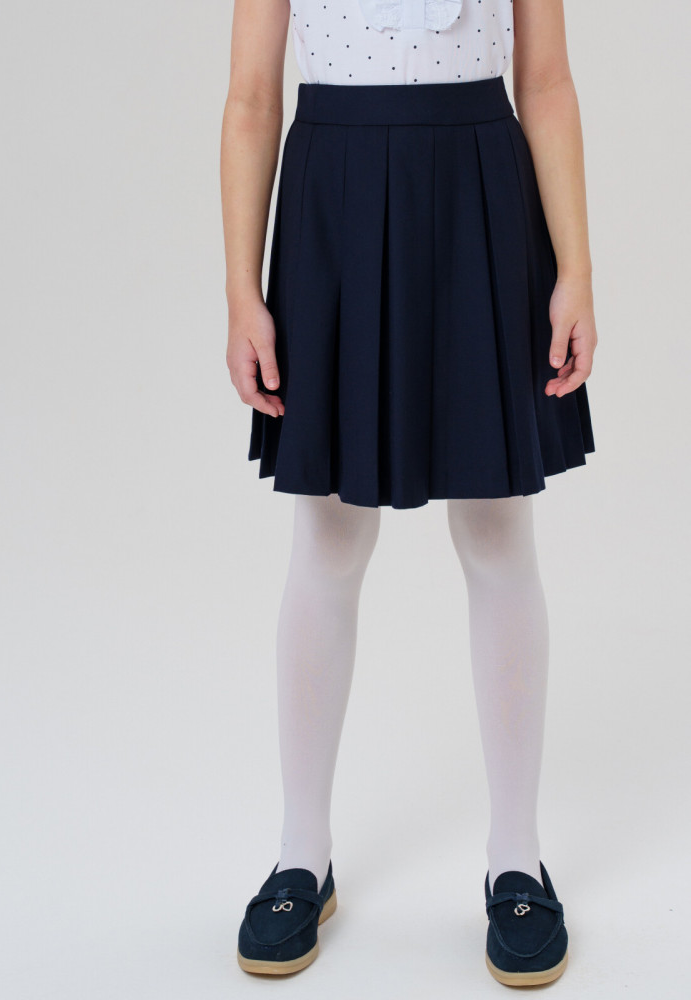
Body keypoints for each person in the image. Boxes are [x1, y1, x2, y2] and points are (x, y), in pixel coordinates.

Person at [220, 0, 597, 987]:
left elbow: (546, 82)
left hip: (479, 195)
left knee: (500, 536)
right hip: (335, 203)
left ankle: (517, 860)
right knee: (328, 542)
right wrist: (241, 290)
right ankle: (301, 856)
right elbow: (253, 98)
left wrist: (576, 269)